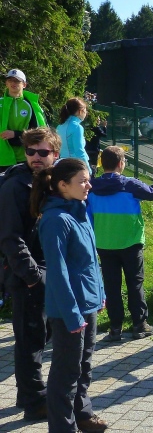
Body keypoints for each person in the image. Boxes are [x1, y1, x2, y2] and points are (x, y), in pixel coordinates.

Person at [31, 158, 108, 433]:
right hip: (68, 311)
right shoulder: (55, 220)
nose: (89, 185)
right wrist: (72, 314)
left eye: (88, 179)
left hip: (87, 302)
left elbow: (91, 260)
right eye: (82, 181)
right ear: (63, 185)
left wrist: (99, 294)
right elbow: (59, 272)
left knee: (83, 366)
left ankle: (82, 416)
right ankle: (63, 428)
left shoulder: (79, 210)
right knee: (66, 373)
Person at [0, 127, 59, 422]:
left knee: (42, 333)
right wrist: (33, 276)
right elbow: (10, 237)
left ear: (55, 154)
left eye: (43, 152)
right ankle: (34, 402)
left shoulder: (51, 182)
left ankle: (28, 394)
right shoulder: (15, 186)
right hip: (27, 275)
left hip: (48, 271)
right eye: (30, 151)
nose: (36, 157)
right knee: (30, 339)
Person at [87, 146, 153, 342]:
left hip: (104, 243)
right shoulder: (129, 184)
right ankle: (139, 324)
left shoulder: (92, 187)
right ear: (121, 164)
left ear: (102, 163)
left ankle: (115, 328)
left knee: (112, 286)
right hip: (131, 242)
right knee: (135, 283)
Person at [0, 69, 47, 172]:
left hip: (25, 156)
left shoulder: (31, 105)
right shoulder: (1, 103)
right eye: (10, 80)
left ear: (24, 85)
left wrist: (15, 134)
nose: (13, 83)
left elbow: (39, 132)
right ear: (6, 83)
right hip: (2, 157)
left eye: (17, 81)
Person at [57, 98, 91, 173]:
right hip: (75, 166)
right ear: (80, 111)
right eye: (85, 111)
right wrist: (88, 169)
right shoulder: (77, 127)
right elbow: (79, 150)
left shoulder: (60, 126)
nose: (86, 113)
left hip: (62, 164)